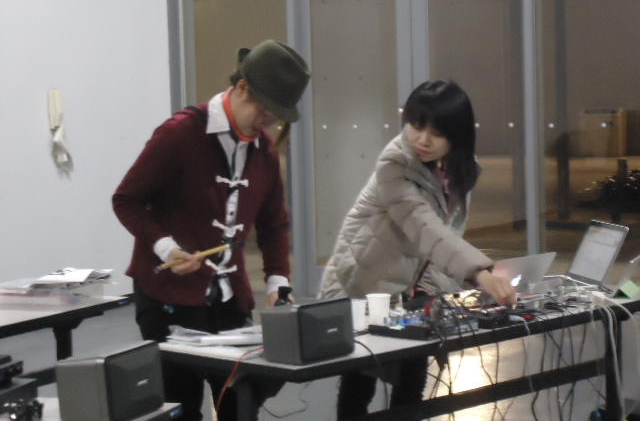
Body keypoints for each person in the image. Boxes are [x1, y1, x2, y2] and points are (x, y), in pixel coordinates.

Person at [112, 39, 310, 421]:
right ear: (241, 88)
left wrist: (278, 282)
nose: (268, 123)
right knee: (181, 409)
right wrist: (167, 248)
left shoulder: (264, 150)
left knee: (240, 404)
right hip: (167, 299)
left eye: (276, 117)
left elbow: (273, 224)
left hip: (229, 301)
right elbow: (127, 200)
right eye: (264, 111)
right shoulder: (181, 133)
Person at [318, 79, 516, 418]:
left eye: (436, 133)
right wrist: (481, 274)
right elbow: (425, 228)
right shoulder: (394, 164)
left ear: (457, 136)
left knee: (411, 378)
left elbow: (445, 236)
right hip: (362, 283)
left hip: (408, 291)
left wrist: (434, 294)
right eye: (416, 125)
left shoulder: (459, 171)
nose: (422, 139)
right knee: (359, 381)